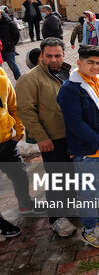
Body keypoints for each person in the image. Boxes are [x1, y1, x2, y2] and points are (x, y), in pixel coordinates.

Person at [57, 45, 99, 248]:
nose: (95, 66)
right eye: (90, 63)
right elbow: (75, 123)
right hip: (88, 152)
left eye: (98, 62)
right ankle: (89, 229)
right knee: (88, 192)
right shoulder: (70, 88)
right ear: (79, 63)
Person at [17, 37, 77, 237]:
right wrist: (41, 137)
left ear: (63, 54)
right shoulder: (30, 79)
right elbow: (26, 112)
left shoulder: (68, 72)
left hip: (73, 135)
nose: (53, 59)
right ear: (41, 56)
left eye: (57, 55)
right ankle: (57, 218)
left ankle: (70, 205)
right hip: (52, 138)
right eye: (49, 56)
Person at [0, 65, 43, 224]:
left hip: (6, 141)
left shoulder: (1, 74)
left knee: (20, 175)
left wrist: (19, 128)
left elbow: (12, 105)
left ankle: (26, 205)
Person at [0, 7, 21, 79]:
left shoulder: (9, 22)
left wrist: (12, 44)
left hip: (8, 47)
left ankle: (19, 81)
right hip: (0, 49)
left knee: (13, 65)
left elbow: (16, 34)